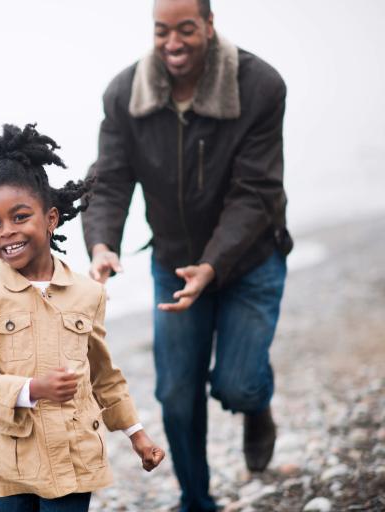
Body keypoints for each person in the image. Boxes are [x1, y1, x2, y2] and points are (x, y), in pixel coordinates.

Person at [81, 1, 293, 510]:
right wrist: (102, 243)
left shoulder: (260, 86)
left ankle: (256, 405)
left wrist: (214, 263)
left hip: (251, 259)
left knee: (237, 386)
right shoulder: (124, 94)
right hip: (173, 264)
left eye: (186, 29)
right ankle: (196, 501)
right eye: (161, 31)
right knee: (176, 396)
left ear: (210, 26)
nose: (172, 42)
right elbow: (109, 180)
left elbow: (255, 192)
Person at [0, 124, 165, 511]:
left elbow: (104, 375)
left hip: (74, 457)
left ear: (50, 218)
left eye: (20, 217)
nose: (7, 232)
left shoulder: (88, 294)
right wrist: (33, 389)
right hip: (10, 465)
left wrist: (137, 434)